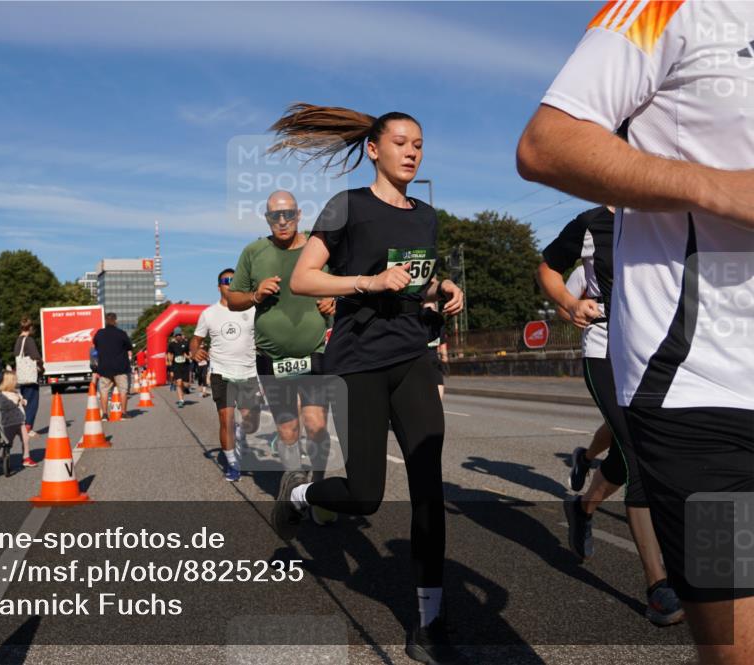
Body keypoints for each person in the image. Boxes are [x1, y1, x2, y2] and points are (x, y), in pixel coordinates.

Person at [517, 2, 753, 661]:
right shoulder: (670, 7)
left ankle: (589, 493)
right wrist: (721, 190)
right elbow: (547, 144)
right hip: (703, 389)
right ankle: (656, 583)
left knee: (622, 457)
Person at [274, 104, 464, 663]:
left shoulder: (425, 215)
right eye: (401, 142)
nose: (412, 151)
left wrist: (442, 287)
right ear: (374, 150)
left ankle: (429, 621)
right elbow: (305, 278)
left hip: (412, 356)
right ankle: (305, 493)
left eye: (420, 144)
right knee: (365, 496)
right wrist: (368, 280)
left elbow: (416, 282)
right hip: (356, 363)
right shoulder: (347, 206)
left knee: (429, 486)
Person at [537, 205, 683, 626]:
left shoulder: (664, 218)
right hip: (604, 348)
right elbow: (546, 268)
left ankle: (583, 508)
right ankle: (658, 586)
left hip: (653, 353)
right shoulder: (589, 223)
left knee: (631, 450)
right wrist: (568, 302)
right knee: (638, 455)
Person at [227, 190, 336, 479]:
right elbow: (233, 300)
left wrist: (335, 300)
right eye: (276, 215)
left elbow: (342, 283)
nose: (283, 220)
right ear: (267, 219)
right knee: (287, 429)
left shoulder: (320, 246)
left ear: (299, 215)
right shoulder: (254, 252)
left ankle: (317, 484)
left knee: (316, 425)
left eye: (289, 214)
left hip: (314, 351)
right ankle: (295, 487)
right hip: (272, 357)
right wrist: (255, 294)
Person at [191, 269, 261, 481]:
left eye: (233, 280)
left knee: (251, 422)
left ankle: (241, 433)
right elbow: (196, 339)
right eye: (225, 280)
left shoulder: (253, 309)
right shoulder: (209, 313)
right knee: (226, 419)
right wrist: (195, 351)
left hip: (249, 371)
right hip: (222, 372)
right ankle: (232, 464)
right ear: (219, 285)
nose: (229, 283)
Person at [92, 312, 133, 418]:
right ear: (115, 321)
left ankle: (105, 414)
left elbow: (95, 345)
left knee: (104, 391)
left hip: (104, 367)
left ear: (105, 321)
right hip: (120, 367)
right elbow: (129, 347)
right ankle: (123, 412)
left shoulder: (99, 333)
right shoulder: (121, 333)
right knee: (123, 390)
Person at [0, 369, 37, 469]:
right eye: (14, 380)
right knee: (9, 442)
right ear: (9, 382)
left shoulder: (16, 392)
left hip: (20, 422)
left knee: (25, 439)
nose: (16, 382)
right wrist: (17, 400)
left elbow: (21, 401)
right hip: (9, 423)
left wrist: (23, 401)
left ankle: (26, 458)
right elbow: (6, 405)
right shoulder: (4, 394)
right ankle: (4, 457)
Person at [13, 318, 43, 439]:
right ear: (30, 328)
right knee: (32, 402)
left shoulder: (18, 341)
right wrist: (42, 365)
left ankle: (24, 425)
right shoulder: (29, 340)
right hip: (30, 376)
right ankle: (28, 427)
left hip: (22, 376)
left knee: (24, 401)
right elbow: (35, 356)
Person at [166, 327, 191, 408]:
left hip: (185, 366)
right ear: (174, 336)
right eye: (176, 335)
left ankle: (185, 388)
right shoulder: (172, 345)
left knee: (186, 385)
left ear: (181, 335)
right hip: (176, 366)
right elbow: (169, 354)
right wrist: (170, 361)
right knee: (179, 382)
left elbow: (190, 354)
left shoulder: (186, 343)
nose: (178, 336)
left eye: (179, 334)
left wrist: (187, 356)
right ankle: (181, 400)